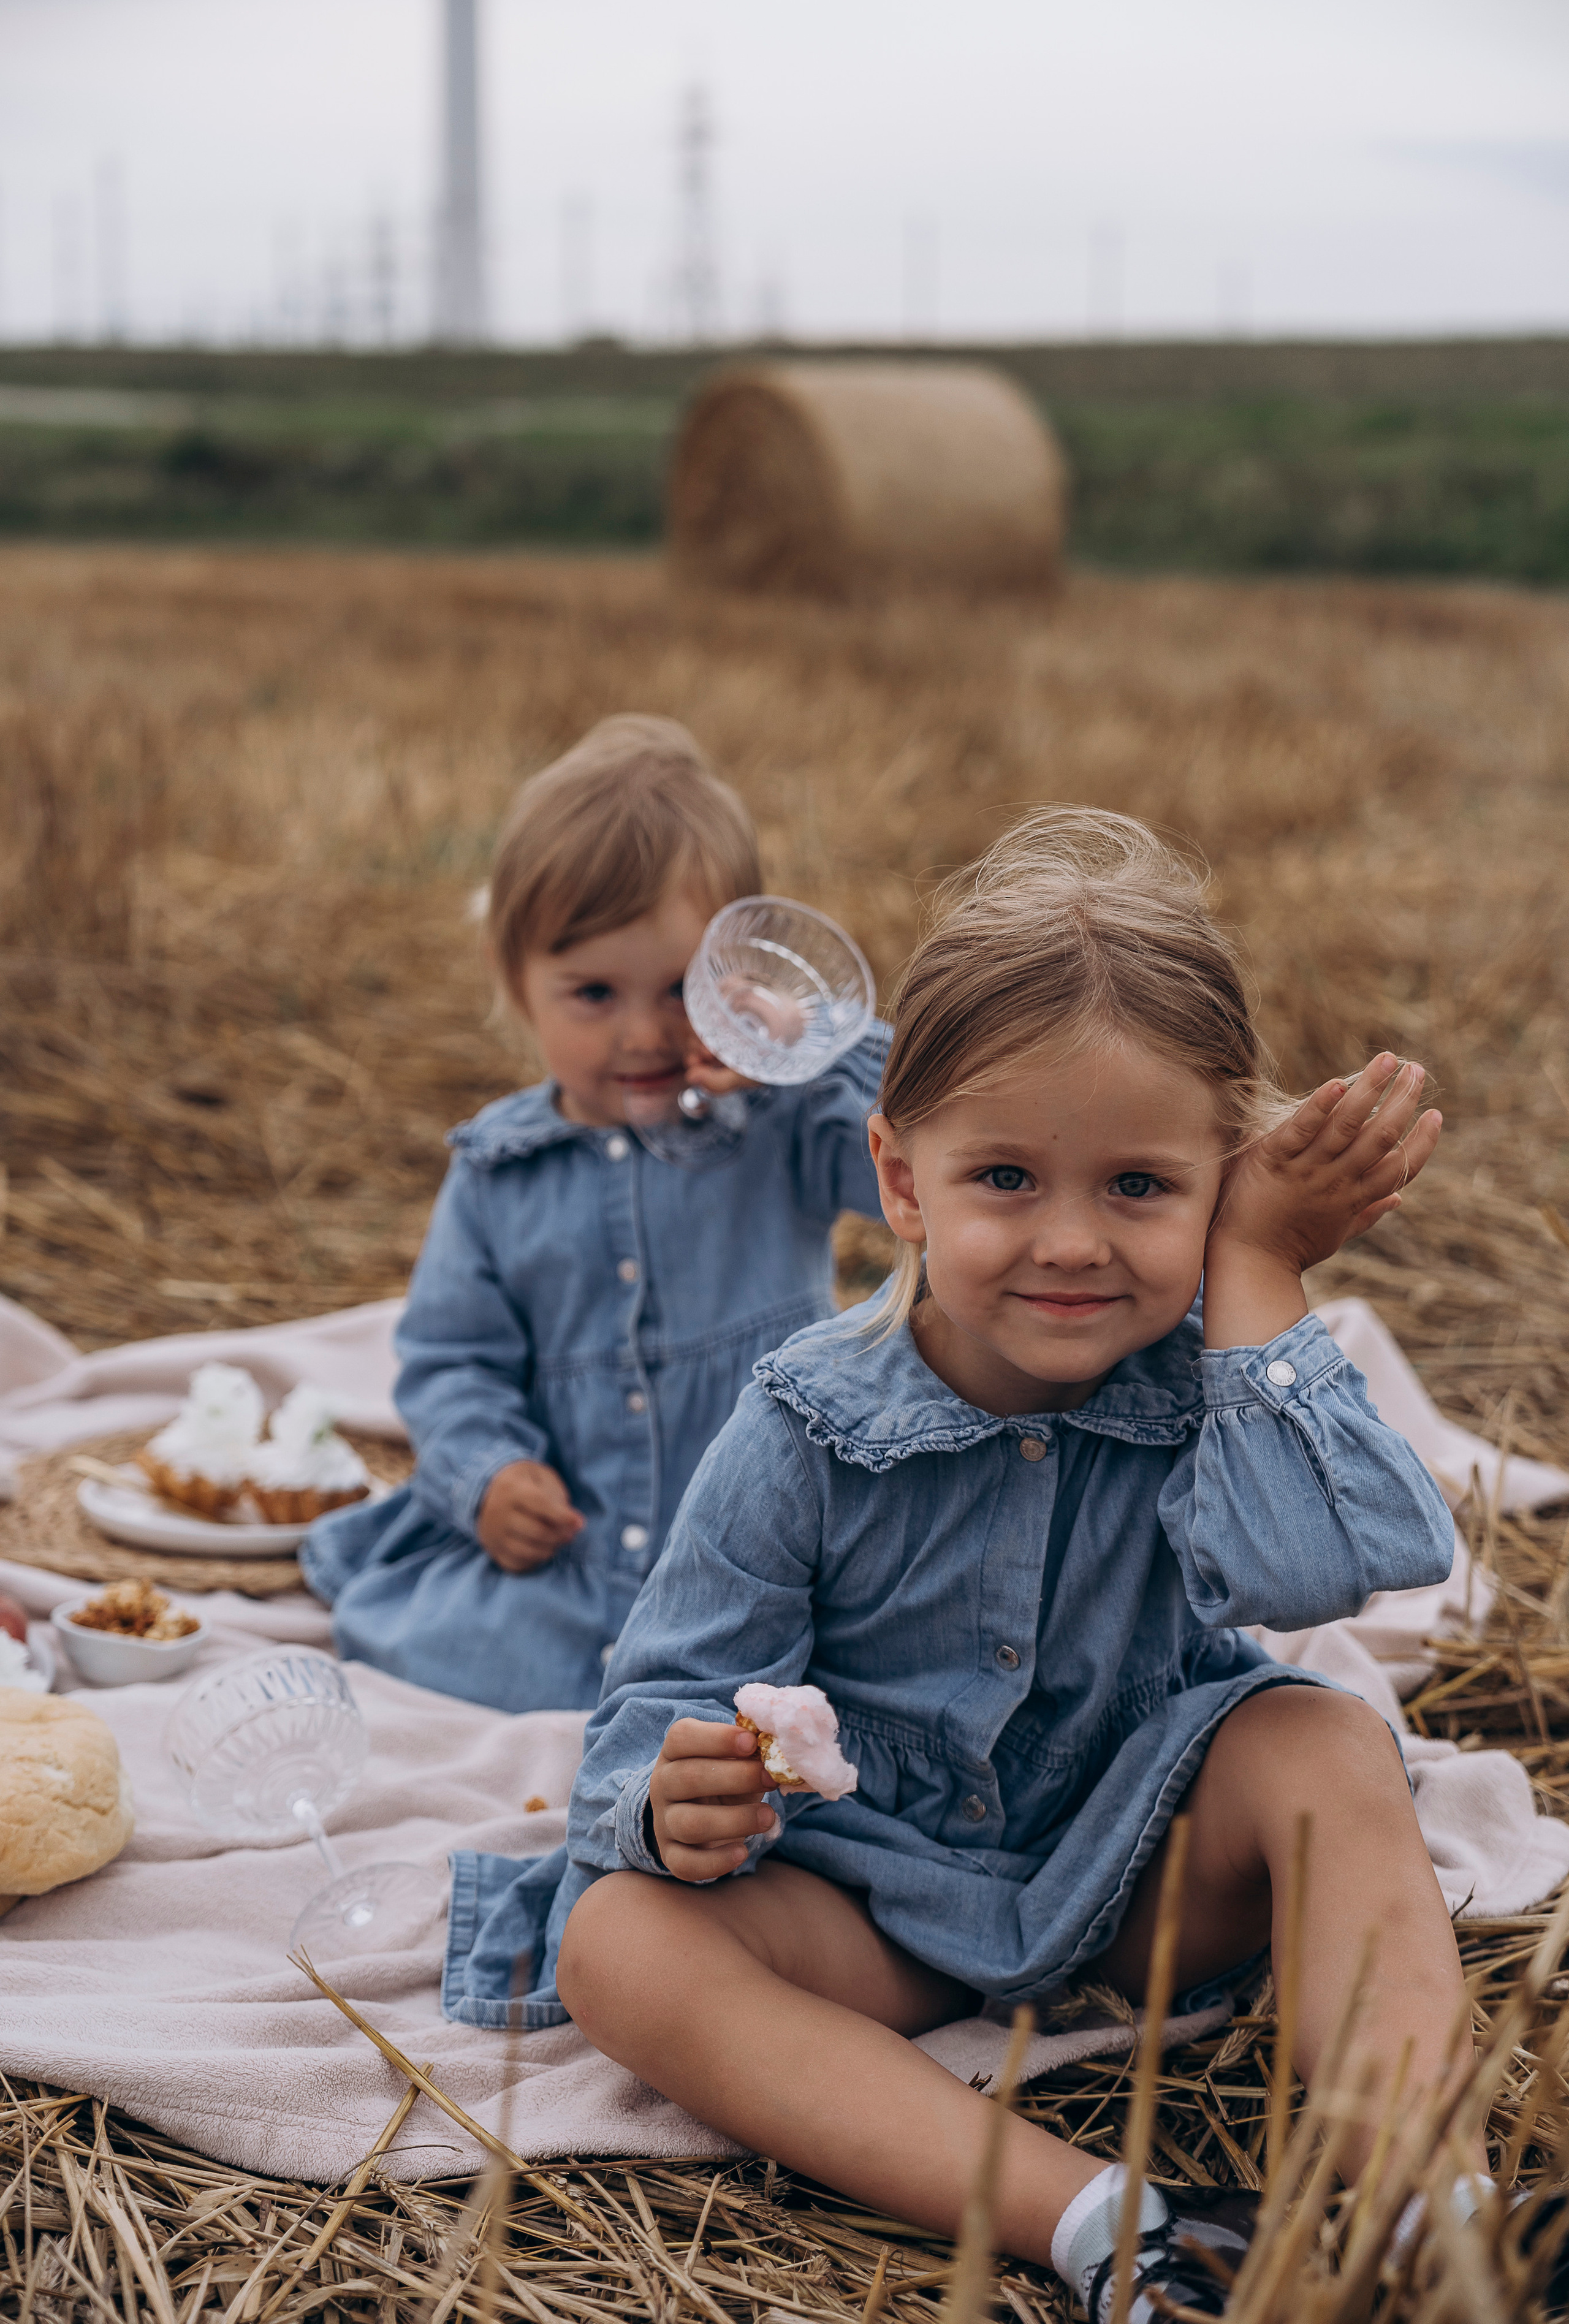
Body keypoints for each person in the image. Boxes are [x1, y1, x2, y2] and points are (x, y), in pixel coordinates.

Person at [442, 806, 1494, 2319]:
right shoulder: (802, 1424)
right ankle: (1115, 2226)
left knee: (1323, 1740)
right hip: (866, 1904)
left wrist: (1258, 1272)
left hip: (1132, 1871)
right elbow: (655, 1702)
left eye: (1139, 1187)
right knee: (613, 1942)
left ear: (1219, 1185)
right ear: (901, 1178)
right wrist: (671, 1802)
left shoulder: (1206, 1382)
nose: (1069, 1242)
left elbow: (1341, 1565)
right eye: (1003, 1177)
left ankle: (1427, 2204)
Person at [303, 715, 887, 1712]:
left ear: (738, 975)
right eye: (593, 993)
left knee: (847, 1672)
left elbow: (934, 1156)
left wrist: (816, 1049)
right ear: (519, 986)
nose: (645, 1032)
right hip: (575, 1561)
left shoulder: (786, 1124)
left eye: (683, 989)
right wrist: (489, 1478)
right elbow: (452, 1361)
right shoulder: (499, 1174)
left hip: (769, 1553)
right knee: (438, 1650)